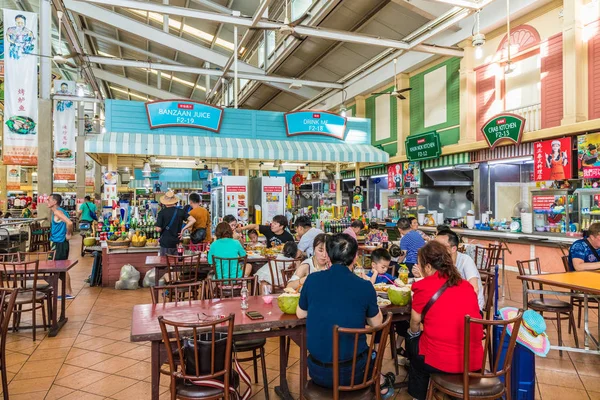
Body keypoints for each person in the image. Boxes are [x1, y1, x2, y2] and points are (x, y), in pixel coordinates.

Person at [296, 233, 395, 397]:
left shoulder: (312, 280)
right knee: (371, 354)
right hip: (355, 374)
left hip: (318, 372)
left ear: (327, 255)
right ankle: (383, 384)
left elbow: (300, 314)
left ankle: (383, 383)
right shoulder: (364, 286)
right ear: (355, 257)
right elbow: (377, 323)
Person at [405, 241, 483, 400]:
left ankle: (418, 396)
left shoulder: (423, 286)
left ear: (427, 267)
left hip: (442, 361)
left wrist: (413, 333)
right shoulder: (467, 286)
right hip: (473, 360)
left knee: (413, 345)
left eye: (419, 265)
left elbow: (414, 321)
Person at [434, 230, 485, 311]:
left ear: (453, 248)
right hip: (450, 303)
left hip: (471, 308)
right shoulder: (439, 261)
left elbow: (475, 289)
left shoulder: (466, 261)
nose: (435, 249)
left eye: (441, 246)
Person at [47, 194, 74, 299]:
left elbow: (70, 223)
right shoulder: (60, 211)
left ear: (54, 202)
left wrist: (68, 234)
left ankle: (68, 292)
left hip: (59, 243)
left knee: (61, 267)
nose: (47, 201)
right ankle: (67, 292)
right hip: (58, 243)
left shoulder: (58, 212)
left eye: (49, 200)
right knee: (59, 267)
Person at [154, 190, 195, 256]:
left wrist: (156, 227)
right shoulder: (180, 211)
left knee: (165, 263)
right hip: (177, 243)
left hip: (165, 243)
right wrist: (183, 229)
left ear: (165, 202)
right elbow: (193, 220)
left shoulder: (161, 213)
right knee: (176, 263)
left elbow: (158, 229)